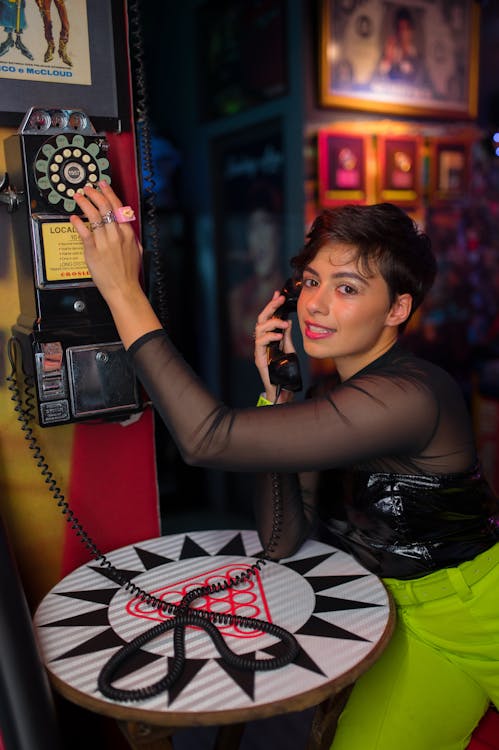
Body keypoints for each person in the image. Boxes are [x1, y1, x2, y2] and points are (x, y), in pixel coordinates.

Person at [70, 183, 499, 750]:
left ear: (398, 308)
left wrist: (123, 290)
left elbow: (206, 439)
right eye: (312, 282)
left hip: (479, 611)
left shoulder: (411, 395)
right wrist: (278, 400)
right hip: (401, 621)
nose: (315, 305)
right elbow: (280, 538)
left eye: (347, 288)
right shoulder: (335, 397)